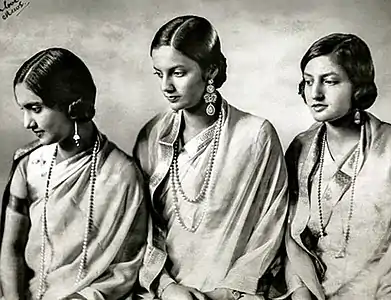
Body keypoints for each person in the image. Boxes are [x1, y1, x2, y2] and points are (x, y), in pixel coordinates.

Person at [133, 15, 289, 300]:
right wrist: (167, 286)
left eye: (178, 73)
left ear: (211, 70)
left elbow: (271, 226)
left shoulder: (256, 135)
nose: (165, 86)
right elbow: (141, 227)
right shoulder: (152, 136)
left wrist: (227, 293)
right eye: (159, 73)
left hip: (237, 294)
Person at [0, 48, 147, 300]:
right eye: (23, 109)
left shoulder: (122, 173)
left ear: (73, 105)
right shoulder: (28, 164)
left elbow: (126, 266)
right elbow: (11, 248)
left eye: (36, 108)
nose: (27, 122)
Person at [284, 33, 391, 300]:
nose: (315, 93)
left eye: (330, 81)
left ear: (358, 87)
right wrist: (300, 290)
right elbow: (288, 238)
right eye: (308, 82)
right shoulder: (300, 148)